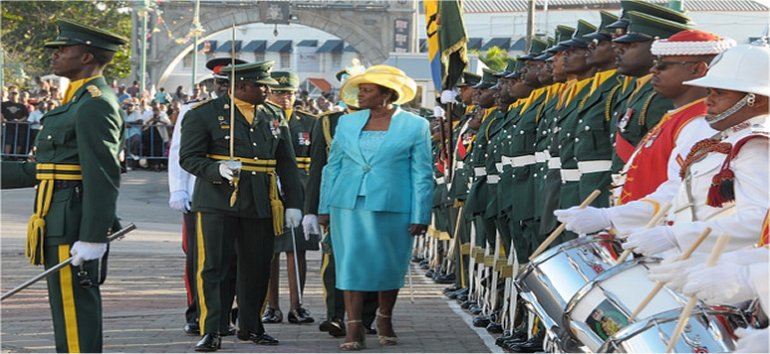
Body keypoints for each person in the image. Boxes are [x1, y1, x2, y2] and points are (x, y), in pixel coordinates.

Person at [1, 19, 127, 352]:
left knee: (74, 311)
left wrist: (93, 236)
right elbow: (47, 167)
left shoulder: (96, 104)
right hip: (59, 215)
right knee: (66, 309)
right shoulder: (77, 101)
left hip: (73, 220)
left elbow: (102, 175)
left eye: (63, 49)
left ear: (86, 57)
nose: (55, 55)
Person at [554, 29, 735, 236]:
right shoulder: (679, 117)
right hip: (645, 233)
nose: (653, 70)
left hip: (669, 238)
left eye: (663, 65)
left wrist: (609, 217)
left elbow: (679, 191)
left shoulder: (701, 122)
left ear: (698, 69)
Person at [179, 60, 303, 352]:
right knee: (214, 266)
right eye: (262, 85)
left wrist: (294, 204)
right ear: (241, 86)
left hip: (261, 199)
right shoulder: (204, 114)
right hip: (218, 199)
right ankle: (212, 328)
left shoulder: (273, 114)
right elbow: (188, 157)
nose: (268, 90)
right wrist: (214, 170)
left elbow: (286, 161)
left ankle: (251, 324)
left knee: (257, 266)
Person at [317, 65, 432, 350]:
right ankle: (353, 327)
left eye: (367, 90)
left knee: (388, 264)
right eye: (360, 90)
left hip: (393, 205)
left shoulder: (416, 126)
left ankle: (384, 317)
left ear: (386, 94)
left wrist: (421, 214)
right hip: (348, 203)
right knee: (350, 263)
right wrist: (324, 206)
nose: (360, 95)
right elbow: (332, 168)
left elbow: (422, 173)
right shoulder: (347, 123)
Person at [621, 42, 769, 257]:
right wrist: (611, 216)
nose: (708, 100)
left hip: (721, 267)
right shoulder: (728, 137)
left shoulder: (756, 146)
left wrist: (678, 236)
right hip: (692, 259)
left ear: (756, 100)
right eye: (709, 91)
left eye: (719, 93)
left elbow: (760, 219)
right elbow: (677, 194)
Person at [168, 57, 245, 337]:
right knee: (199, 258)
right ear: (212, 83)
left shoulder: (249, 111)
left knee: (233, 258)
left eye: (230, 83)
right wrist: (178, 188)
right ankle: (197, 312)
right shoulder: (194, 110)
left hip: (239, 194)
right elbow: (179, 152)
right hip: (198, 192)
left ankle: (224, 313)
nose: (224, 88)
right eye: (220, 83)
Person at [262, 71, 320, 325]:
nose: (285, 98)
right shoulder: (260, 120)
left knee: (297, 252)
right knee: (269, 252)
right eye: (279, 92)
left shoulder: (310, 122)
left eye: (289, 93)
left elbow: (317, 162)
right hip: (269, 192)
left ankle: (297, 305)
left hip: (301, 194)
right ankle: (271, 306)